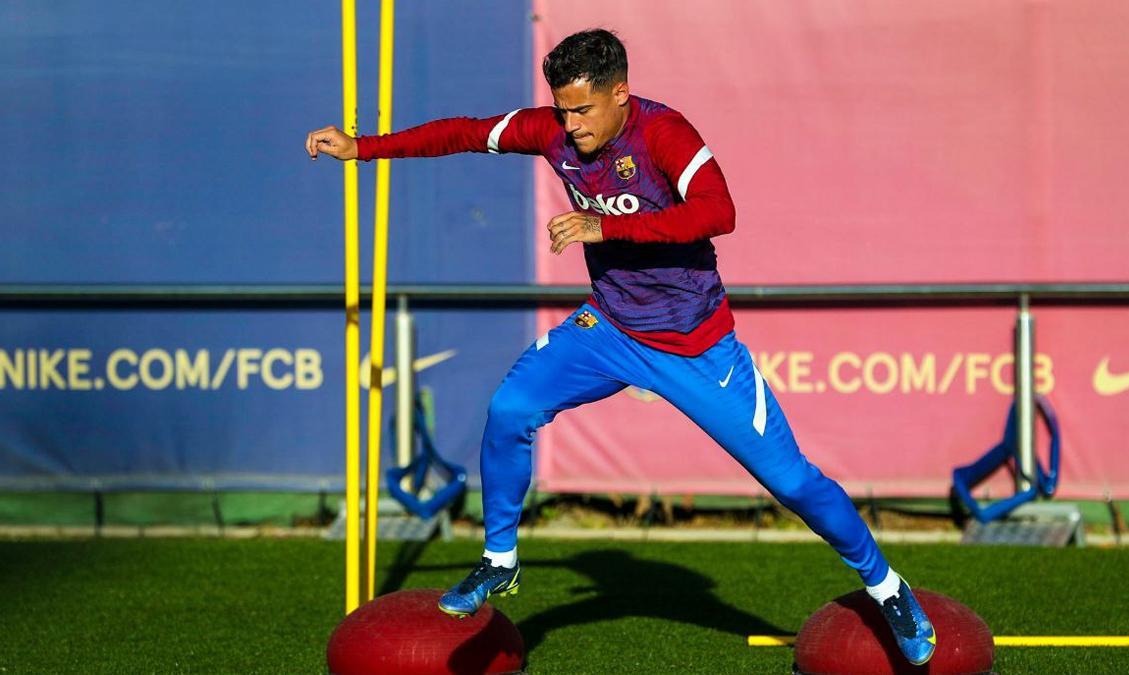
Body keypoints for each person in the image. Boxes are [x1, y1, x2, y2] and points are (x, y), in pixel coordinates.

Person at [307, 29, 935, 666]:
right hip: (608, 330)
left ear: (620, 95)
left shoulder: (665, 133)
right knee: (511, 409)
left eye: (583, 110)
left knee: (793, 482)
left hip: (697, 347)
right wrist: (363, 149)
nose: (571, 124)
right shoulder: (552, 129)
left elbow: (720, 212)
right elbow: (463, 133)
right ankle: (499, 561)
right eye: (563, 109)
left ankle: (888, 588)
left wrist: (605, 226)